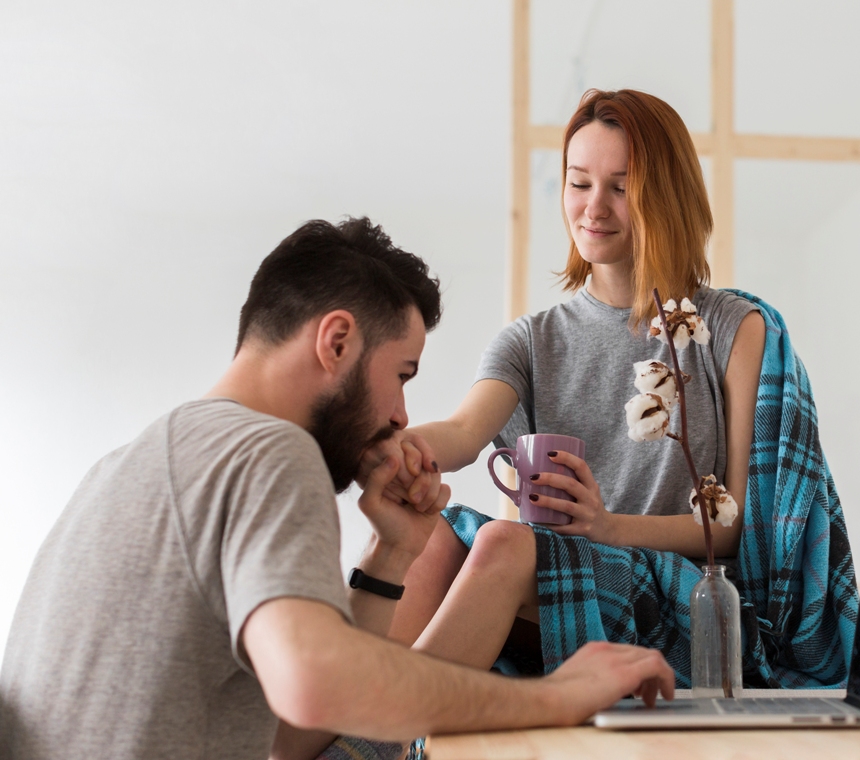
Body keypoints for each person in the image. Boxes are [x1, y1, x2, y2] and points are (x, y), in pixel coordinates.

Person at [0, 218, 674, 760]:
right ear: (338, 341)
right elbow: (316, 686)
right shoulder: (267, 449)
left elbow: (288, 737)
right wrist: (559, 696)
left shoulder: (137, 462)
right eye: (402, 375)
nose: (402, 417)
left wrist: (389, 559)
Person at [378, 89, 856, 689]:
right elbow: (463, 433)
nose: (593, 207)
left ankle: (375, 740)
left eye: (620, 188)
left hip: (687, 608)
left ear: (666, 197)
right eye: (578, 183)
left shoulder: (734, 330)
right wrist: (379, 445)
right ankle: (368, 735)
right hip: (565, 585)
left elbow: (733, 526)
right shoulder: (529, 340)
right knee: (434, 540)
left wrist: (607, 526)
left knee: (502, 544)